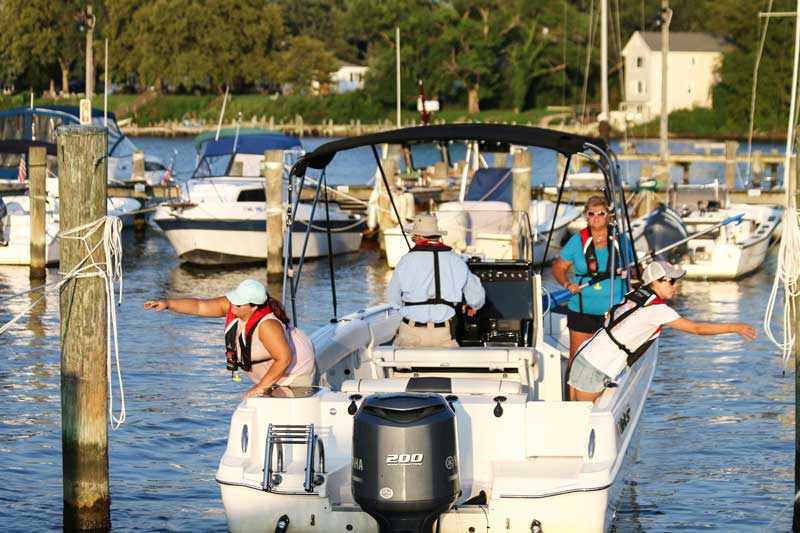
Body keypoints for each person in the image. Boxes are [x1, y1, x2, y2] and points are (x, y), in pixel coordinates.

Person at [568, 261, 757, 402]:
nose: (676, 286)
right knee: (583, 428)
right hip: (596, 367)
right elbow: (696, 328)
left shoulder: (635, 295)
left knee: (575, 419)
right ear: (656, 282)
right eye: (672, 281)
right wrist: (734, 327)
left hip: (584, 356)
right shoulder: (657, 310)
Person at [144, 279, 315, 398]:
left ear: (254, 307)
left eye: (239, 304)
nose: (232, 306)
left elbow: (284, 359)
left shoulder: (267, 326)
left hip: (294, 375)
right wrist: (168, 304)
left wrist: (258, 388)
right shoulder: (236, 307)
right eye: (234, 300)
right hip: (271, 376)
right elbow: (199, 306)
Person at [552, 195, 634, 365]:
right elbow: (558, 268)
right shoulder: (577, 241)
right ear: (586, 216)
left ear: (609, 216)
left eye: (601, 213)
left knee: (611, 356)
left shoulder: (621, 240)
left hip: (614, 310)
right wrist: (567, 284)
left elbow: (634, 269)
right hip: (582, 310)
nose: (596, 217)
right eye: (591, 214)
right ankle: (571, 390)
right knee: (578, 356)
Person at [388, 214, 485, 347]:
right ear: (437, 236)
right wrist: (471, 306)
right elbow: (477, 298)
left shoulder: (405, 261)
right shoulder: (456, 260)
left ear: (416, 236)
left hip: (411, 332)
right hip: (443, 334)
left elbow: (393, 299)